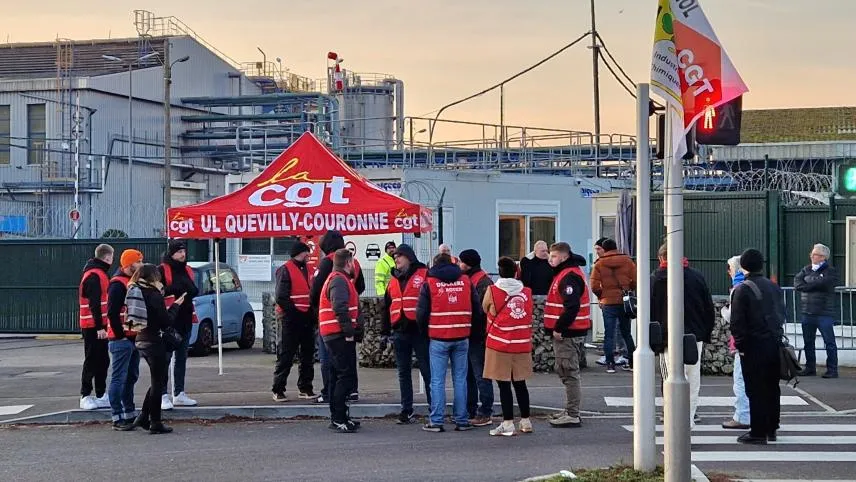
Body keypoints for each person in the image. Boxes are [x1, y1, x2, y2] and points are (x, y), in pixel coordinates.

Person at [651, 243, 715, 428]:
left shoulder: (657, 279)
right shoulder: (697, 277)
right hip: (695, 336)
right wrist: (705, 332)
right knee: (693, 379)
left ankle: (672, 416)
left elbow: (651, 311)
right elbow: (708, 308)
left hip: (667, 338)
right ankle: (688, 417)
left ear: (661, 258)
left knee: (670, 377)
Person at [417, 253, 481, 433]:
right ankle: (462, 419)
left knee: (437, 381)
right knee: (460, 379)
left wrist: (424, 333)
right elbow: (477, 309)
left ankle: (436, 421)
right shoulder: (466, 281)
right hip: (462, 336)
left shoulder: (429, 283)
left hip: (438, 337)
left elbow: (421, 313)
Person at [729, 249, 784, 444]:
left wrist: (741, 346)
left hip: (753, 345)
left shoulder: (742, 289)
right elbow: (781, 314)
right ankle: (772, 428)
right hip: (773, 343)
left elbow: (737, 323)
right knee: (771, 387)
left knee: (754, 388)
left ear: (743, 266)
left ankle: (758, 431)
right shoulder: (774, 287)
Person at [126, 264, 185, 434]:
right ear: (153, 277)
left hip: (141, 339)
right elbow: (166, 321)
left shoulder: (136, 290)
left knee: (156, 379)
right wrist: (176, 305)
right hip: (155, 340)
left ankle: (144, 416)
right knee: (158, 382)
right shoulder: (153, 295)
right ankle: (155, 422)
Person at [311, 230, 366, 403]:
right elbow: (361, 285)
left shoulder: (329, 263)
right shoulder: (353, 262)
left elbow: (315, 291)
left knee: (328, 359)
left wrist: (319, 307)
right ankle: (352, 390)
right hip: (350, 318)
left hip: (330, 321)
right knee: (348, 358)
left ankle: (329, 392)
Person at [380, 244, 431, 425]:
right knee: (403, 372)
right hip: (400, 330)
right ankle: (406, 409)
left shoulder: (424, 275)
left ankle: (434, 407)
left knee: (426, 370)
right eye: (395, 258)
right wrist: (384, 332)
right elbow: (386, 307)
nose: (396, 260)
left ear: (409, 257)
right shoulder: (393, 280)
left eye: (399, 256)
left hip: (419, 331)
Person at [483, 257, 534, 436]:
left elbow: (485, 308)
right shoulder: (526, 292)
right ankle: (526, 421)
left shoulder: (492, 290)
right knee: (520, 383)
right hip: (521, 343)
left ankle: (507, 423)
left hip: (499, 344)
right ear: (515, 272)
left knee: (504, 385)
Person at [544, 242, 590, 428]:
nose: (550, 259)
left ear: (563, 257)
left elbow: (572, 306)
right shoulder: (567, 273)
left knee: (569, 372)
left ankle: (572, 413)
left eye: (553, 256)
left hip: (568, 333)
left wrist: (559, 328)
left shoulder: (568, 276)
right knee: (566, 371)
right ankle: (570, 410)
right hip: (570, 331)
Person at [319, 249, 363, 433]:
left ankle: (341, 416)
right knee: (345, 376)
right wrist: (349, 332)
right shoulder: (339, 280)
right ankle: (338, 418)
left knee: (340, 375)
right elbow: (340, 307)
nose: (354, 266)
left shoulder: (339, 279)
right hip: (338, 335)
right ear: (347, 262)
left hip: (336, 334)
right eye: (352, 262)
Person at [272, 242, 316, 402]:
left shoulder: (309, 270)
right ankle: (278, 389)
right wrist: (296, 313)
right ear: (301, 253)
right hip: (291, 319)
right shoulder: (285, 270)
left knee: (307, 355)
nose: (309, 256)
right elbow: (281, 297)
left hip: (306, 318)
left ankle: (305, 387)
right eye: (307, 253)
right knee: (286, 355)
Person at [158, 240, 199, 410]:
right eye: (179, 252)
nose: (183, 254)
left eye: (184, 251)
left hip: (185, 319)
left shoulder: (188, 270)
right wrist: (173, 290)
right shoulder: (162, 270)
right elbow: (158, 291)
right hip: (169, 320)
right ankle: (162, 395)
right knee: (165, 359)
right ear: (171, 253)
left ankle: (179, 393)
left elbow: (193, 290)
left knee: (181, 358)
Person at [106, 249, 144, 430]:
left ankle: (128, 413)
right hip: (122, 338)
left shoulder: (129, 282)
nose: (141, 265)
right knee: (119, 378)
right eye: (139, 262)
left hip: (131, 337)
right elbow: (112, 313)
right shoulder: (117, 285)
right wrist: (121, 336)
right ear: (129, 265)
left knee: (131, 376)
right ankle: (117, 416)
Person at [458, 249, 495, 426]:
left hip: (477, 335)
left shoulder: (481, 282)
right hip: (472, 334)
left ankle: (485, 412)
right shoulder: (479, 279)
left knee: (480, 375)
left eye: (461, 262)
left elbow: (481, 311)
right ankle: (471, 409)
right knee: (470, 375)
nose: (458, 265)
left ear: (467, 264)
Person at [589, 238, 637, 373]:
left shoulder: (599, 264)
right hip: (624, 301)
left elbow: (593, 285)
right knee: (626, 333)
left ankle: (610, 364)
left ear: (604, 248)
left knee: (608, 334)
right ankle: (632, 362)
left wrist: (601, 296)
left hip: (608, 303)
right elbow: (635, 279)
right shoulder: (627, 261)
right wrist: (628, 290)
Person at [794, 243, 839, 378]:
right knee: (808, 342)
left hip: (824, 312)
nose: (812, 257)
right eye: (812, 254)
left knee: (829, 342)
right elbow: (797, 283)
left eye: (816, 255)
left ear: (823, 257)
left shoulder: (831, 271)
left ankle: (832, 369)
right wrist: (813, 282)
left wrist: (808, 283)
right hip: (807, 311)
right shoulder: (805, 269)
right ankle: (810, 367)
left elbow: (825, 283)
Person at [78, 243, 114, 411]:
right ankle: (85, 395)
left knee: (102, 360)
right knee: (92, 359)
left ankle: (100, 394)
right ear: (107, 257)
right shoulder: (94, 275)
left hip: (98, 325)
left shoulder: (97, 273)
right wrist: (100, 327)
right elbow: (94, 304)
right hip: (93, 326)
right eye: (111, 258)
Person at [721, 255, 750, 430]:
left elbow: (732, 316)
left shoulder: (737, 289)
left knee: (740, 379)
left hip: (742, 341)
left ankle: (742, 415)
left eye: (729, 268)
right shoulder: (754, 285)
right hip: (758, 340)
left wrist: (724, 310)